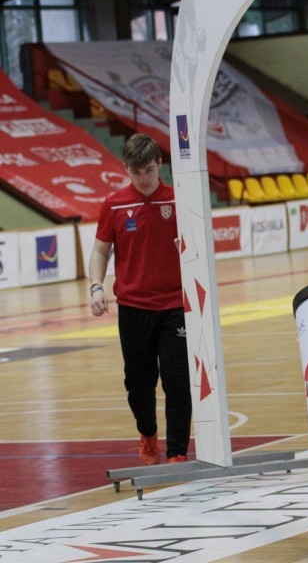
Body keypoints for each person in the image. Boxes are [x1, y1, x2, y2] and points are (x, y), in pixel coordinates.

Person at [89, 133, 191, 466]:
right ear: (126, 170)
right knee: (138, 384)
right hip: (133, 308)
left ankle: (177, 451)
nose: (144, 179)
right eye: (136, 172)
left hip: (175, 306)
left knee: (177, 380)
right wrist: (96, 286)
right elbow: (100, 250)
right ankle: (148, 435)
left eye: (148, 170)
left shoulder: (180, 200)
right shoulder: (114, 204)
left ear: (160, 164)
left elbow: (202, 248)